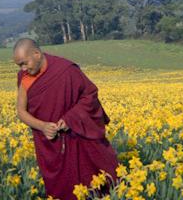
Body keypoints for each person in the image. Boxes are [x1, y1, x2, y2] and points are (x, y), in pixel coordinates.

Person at [13, 38, 119, 200]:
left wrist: (70, 119)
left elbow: (89, 96)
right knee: (61, 190)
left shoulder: (66, 70)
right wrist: (43, 126)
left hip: (76, 135)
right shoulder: (25, 77)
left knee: (98, 180)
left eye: (24, 63)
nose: (23, 68)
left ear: (36, 54)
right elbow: (21, 111)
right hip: (49, 142)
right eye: (19, 65)